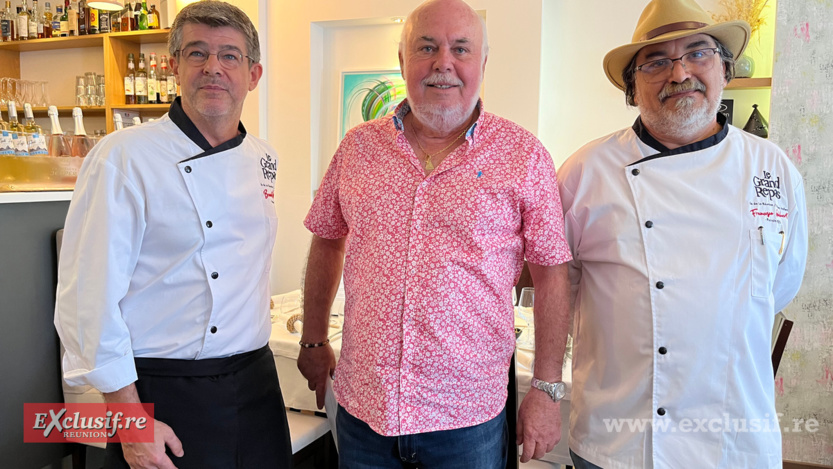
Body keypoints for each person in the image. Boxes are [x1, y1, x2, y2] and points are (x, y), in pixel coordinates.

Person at [298, 0, 573, 466]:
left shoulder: (523, 155)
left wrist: (546, 390)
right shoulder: (358, 147)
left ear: (482, 63)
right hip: (366, 412)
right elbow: (327, 238)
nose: (443, 62)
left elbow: (552, 275)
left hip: (467, 421)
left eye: (460, 49)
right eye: (427, 47)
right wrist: (312, 339)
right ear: (403, 60)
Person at [557, 0, 808, 467]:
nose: (679, 74)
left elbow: (780, 286)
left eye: (698, 53)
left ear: (725, 69)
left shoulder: (772, 169)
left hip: (737, 441)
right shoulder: (584, 173)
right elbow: (559, 291)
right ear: (631, 89)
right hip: (620, 442)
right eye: (655, 62)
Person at [54, 2, 291, 468]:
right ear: (173, 67)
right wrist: (129, 419)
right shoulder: (122, 157)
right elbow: (86, 300)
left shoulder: (265, 158)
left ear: (254, 74)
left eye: (229, 56)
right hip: (162, 390)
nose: (212, 69)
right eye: (197, 53)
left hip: (256, 383)